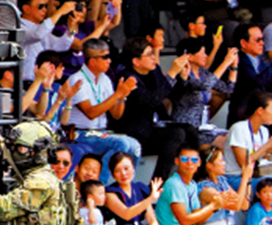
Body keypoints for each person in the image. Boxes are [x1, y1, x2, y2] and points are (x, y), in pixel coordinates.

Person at [114, 38, 194, 181]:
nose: (154, 57)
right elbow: (151, 101)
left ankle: (193, 179)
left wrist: (182, 77)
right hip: (132, 133)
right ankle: (157, 183)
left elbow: (171, 94)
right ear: (136, 61)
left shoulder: (153, 70)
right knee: (176, 134)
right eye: (149, 54)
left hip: (149, 128)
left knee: (190, 131)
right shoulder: (128, 78)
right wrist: (171, 74)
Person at [66, 38, 142, 166]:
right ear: (92, 61)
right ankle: (101, 184)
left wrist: (122, 97)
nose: (109, 61)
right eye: (105, 57)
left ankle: (121, 184)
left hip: (100, 132)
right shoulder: (76, 80)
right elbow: (90, 113)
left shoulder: (105, 79)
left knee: (135, 146)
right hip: (81, 134)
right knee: (121, 143)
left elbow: (116, 115)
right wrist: (118, 94)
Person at [169, 33, 236, 142]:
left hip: (203, 127)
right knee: (228, 142)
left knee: (232, 138)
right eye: (202, 53)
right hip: (186, 129)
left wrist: (233, 67)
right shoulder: (183, 74)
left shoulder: (203, 73)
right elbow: (205, 85)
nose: (206, 56)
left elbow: (228, 88)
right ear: (189, 56)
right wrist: (225, 63)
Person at [227, 90, 272, 181]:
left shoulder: (264, 131)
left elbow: (263, 156)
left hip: (256, 175)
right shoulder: (239, 128)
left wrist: (268, 152)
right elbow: (245, 164)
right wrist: (267, 145)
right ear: (260, 111)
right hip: (236, 177)